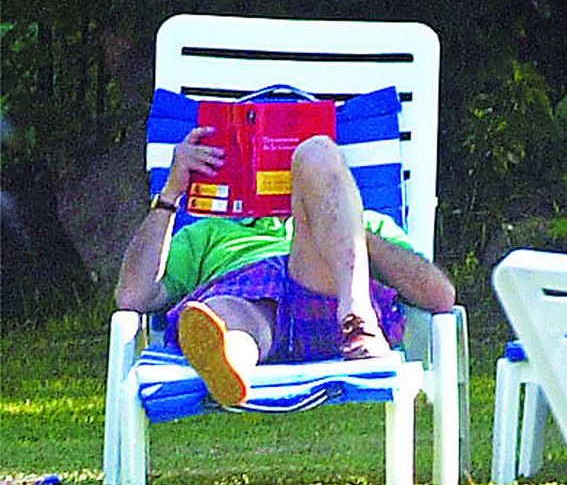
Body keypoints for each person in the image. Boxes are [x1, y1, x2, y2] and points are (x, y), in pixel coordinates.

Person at [115, 126, 455, 407]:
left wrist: (342, 227)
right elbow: (133, 295)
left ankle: (358, 321)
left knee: (317, 151)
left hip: (326, 297)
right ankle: (229, 361)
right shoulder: (206, 232)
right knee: (223, 315)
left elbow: (440, 296)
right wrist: (172, 191)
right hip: (247, 303)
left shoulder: (365, 225)